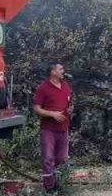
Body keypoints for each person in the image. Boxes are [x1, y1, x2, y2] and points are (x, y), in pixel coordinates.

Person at [33, 62, 73, 193]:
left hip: (63, 128)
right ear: (52, 72)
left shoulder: (66, 86)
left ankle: (59, 182)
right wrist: (53, 114)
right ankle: (49, 187)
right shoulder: (43, 88)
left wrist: (70, 110)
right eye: (61, 69)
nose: (63, 71)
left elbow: (68, 104)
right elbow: (36, 108)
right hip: (48, 129)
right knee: (48, 158)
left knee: (61, 159)